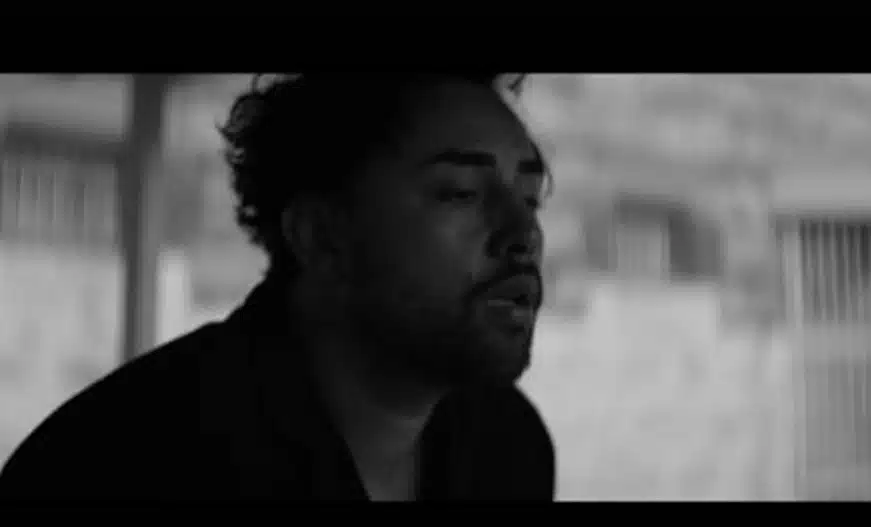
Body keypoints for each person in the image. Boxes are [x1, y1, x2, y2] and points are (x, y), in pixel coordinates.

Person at [0, 73, 556, 501]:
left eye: (531, 198)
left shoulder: (508, 447)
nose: (523, 234)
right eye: (460, 193)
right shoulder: (118, 465)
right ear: (320, 236)